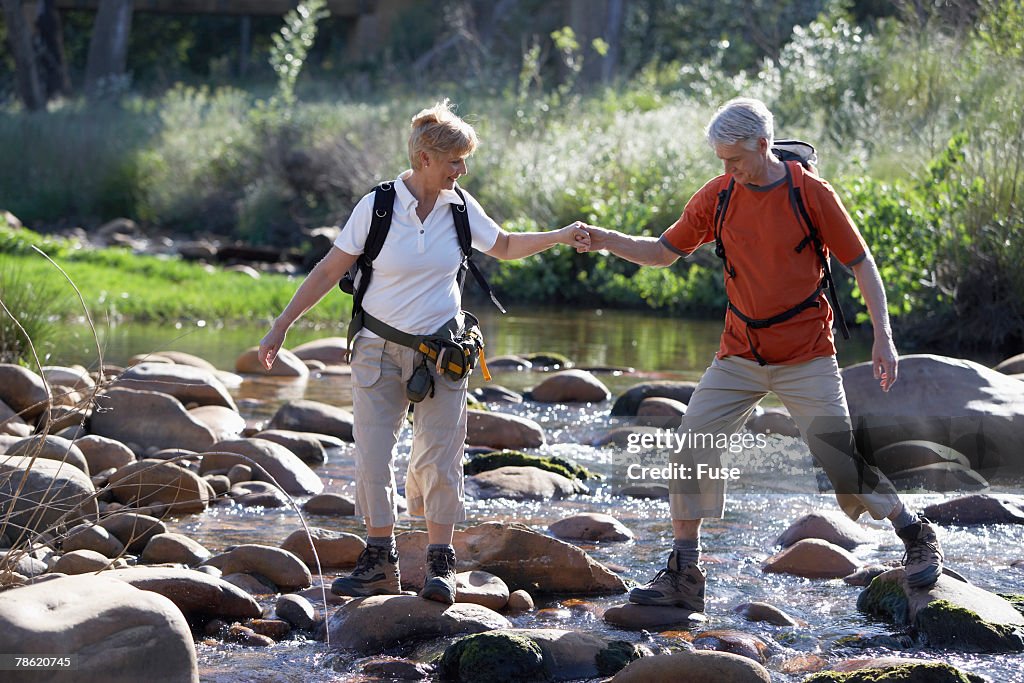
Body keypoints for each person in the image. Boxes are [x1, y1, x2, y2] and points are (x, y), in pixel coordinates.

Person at [580, 97, 943, 612]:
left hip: (806, 354)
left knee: (839, 459)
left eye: (735, 159)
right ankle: (685, 573)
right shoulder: (720, 195)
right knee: (690, 447)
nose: (727, 170)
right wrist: (606, 240)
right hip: (739, 354)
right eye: (721, 161)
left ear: (764, 145)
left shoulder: (810, 193)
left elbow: (862, 264)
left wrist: (882, 335)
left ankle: (916, 534)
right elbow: (663, 252)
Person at [258, 99, 589, 604]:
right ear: (424, 160)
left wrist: (562, 236)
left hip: (443, 353)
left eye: (465, 159)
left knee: (439, 457)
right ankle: (378, 560)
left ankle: (440, 564)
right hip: (376, 348)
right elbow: (329, 270)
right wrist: (282, 325)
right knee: (371, 454)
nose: (463, 169)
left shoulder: (460, 207)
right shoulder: (378, 206)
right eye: (455, 160)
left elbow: (503, 245)